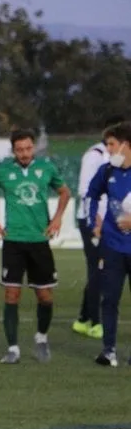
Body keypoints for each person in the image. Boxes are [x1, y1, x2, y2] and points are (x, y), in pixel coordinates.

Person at [0, 129, 71, 364]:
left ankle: (41, 338)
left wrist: (57, 218)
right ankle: (13, 349)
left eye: (28, 148)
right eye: (20, 149)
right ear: (13, 150)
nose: (25, 153)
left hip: (39, 241)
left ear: (34, 147)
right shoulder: (4, 171)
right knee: (11, 294)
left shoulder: (46, 169)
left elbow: (64, 191)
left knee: (45, 296)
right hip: (13, 241)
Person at [73, 115, 125, 339]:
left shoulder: (119, 158)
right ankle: (95, 321)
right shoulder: (94, 156)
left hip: (112, 223)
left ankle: (84, 318)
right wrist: (96, 220)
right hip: (92, 222)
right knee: (99, 270)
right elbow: (86, 191)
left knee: (102, 270)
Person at [85, 120, 131, 367]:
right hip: (112, 247)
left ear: (125, 145)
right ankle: (109, 350)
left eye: (112, 144)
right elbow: (91, 194)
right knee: (109, 299)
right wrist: (95, 221)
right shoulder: (107, 171)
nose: (108, 150)